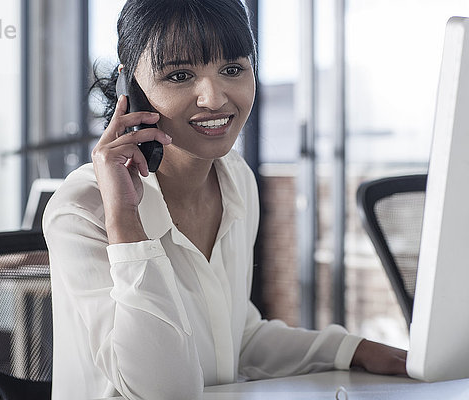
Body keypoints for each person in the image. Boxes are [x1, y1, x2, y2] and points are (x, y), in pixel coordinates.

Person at [43, 1, 407, 399]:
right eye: (180, 75)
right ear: (131, 88)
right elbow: (162, 389)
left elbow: (235, 338)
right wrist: (124, 218)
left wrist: (356, 350)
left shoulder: (235, 179)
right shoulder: (82, 209)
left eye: (232, 69)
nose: (214, 98)